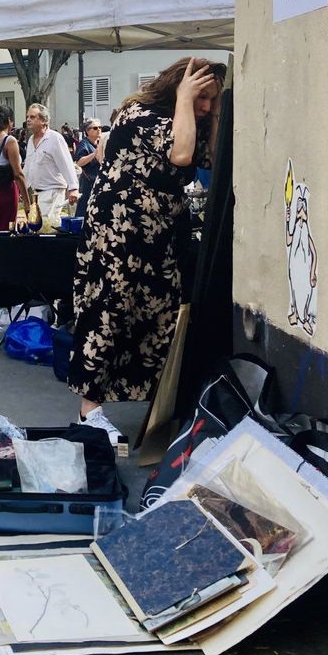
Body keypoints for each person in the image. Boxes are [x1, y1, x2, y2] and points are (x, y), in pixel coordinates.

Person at [69, 57, 226, 443]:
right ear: (178, 86)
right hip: (118, 229)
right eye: (202, 97)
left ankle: (158, 405)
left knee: (163, 311)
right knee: (110, 309)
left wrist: (216, 111)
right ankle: (88, 410)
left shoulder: (191, 118)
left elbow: (215, 158)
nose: (205, 106)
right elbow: (181, 155)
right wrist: (187, 100)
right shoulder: (140, 114)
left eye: (211, 100)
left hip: (160, 231)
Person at [21, 104, 79, 228]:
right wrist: (21, 186)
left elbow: (66, 163)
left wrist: (73, 188)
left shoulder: (55, 138)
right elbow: (28, 166)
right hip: (36, 194)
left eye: (32, 117)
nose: (28, 119)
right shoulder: (31, 140)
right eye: (27, 116)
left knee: (50, 228)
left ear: (43, 120)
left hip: (53, 192)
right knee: (38, 230)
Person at [74, 119, 105, 217]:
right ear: (87, 131)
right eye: (95, 128)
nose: (99, 130)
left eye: (100, 127)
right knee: (84, 208)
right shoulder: (84, 144)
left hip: (98, 181)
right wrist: (94, 154)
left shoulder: (100, 142)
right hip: (87, 182)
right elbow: (79, 162)